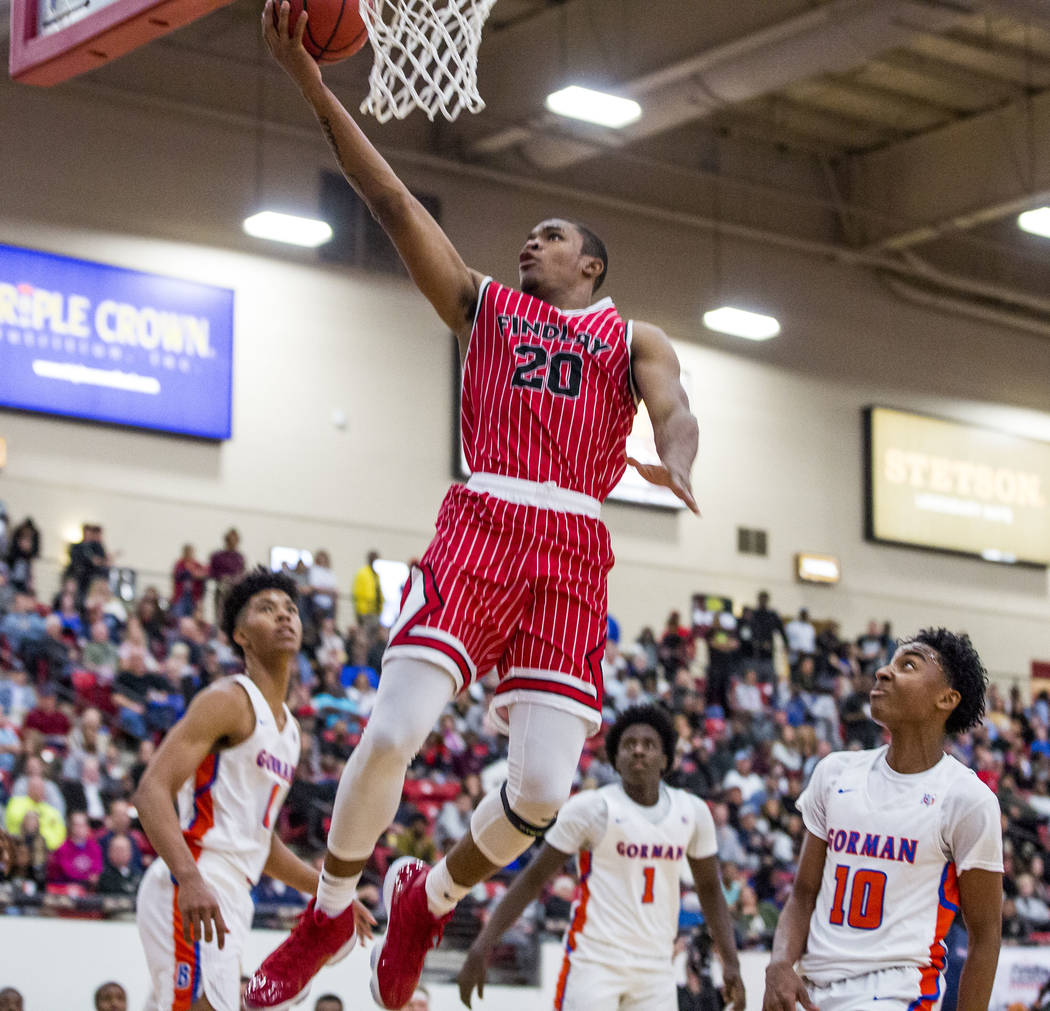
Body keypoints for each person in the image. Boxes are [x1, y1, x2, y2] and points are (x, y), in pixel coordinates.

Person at [245, 6, 699, 1010]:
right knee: (396, 727)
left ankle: (428, 897)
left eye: (552, 237)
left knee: (541, 790)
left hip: (576, 544)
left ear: (593, 266)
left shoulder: (636, 338)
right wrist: (312, 87)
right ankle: (328, 908)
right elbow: (392, 196)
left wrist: (674, 458)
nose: (529, 243)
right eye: (527, 235)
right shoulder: (487, 305)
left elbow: (676, 410)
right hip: (486, 518)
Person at [133, 569, 372, 1011]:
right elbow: (151, 791)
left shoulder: (291, 732)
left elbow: (260, 841)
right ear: (241, 635)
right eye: (267, 609)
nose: (284, 618)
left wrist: (329, 893)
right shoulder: (227, 700)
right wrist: (189, 878)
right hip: (197, 877)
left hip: (234, 892)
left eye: (290, 611)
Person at [762, 629, 1003, 1011]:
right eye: (889, 663)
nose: (882, 673)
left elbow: (985, 936)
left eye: (907, 665)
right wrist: (778, 963)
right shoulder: (834, 773)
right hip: (813, 991)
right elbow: (804, 893)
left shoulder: (967, 799)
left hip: (895, 994)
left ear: (947, 698)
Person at [458, 705, 744, 1011]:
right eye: (628, 744)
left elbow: (711, 889)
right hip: (595, 962)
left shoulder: (693, 812)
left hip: (656, 969)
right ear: (614, 759)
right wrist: (482, 944)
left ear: (665, 760)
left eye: (649, 745)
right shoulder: (590, 808)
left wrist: (730, 963)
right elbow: (533, 879)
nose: (638, 751)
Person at [351, 550, 384, 629]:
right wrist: (359, 610)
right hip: (365, 611)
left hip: (376, 610)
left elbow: (378, 591)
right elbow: (357, 593)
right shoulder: (363, 573)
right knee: (366, 633)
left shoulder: (376, 575)